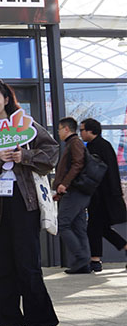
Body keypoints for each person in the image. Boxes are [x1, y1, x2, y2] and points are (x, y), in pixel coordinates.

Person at [0, 80, 58, 326]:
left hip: (24, 203)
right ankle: (8, 322)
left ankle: (42, 325)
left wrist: (25, 157)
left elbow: (52, 153)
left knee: (28, 266)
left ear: (6, 99)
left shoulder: (26, 125)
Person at [80, 118, 127, 271]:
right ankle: (97, 259)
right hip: (104, 194)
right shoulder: (102, 145)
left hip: (102, 195)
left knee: (94, 226)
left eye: (82, 130)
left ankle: (95, 260)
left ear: (91, 131)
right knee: (100, 227)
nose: (80, 133)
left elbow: (99, 173)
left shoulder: (96, 147)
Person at [53, 117, 91, 274]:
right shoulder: (73, 143)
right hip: (78, 192)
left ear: (66, 129)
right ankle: (84, 264)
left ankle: (81, 257)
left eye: (59, 129)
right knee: (78, 227)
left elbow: (78, 164)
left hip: (74, 191)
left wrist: (64, 184)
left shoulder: (74, 143)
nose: (59, 133)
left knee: (63, 224)